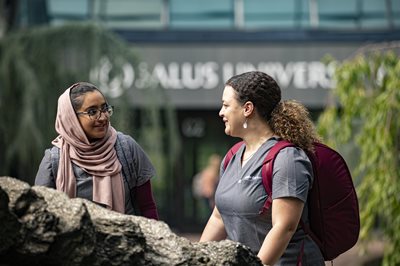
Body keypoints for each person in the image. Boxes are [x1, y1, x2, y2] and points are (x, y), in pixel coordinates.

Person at [199, 71, 324, 265]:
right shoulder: (232, 156)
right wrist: (196, 259)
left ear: (247, 108)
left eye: (226, 105)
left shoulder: (287, 158)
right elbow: (218, 217)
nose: (221, 113)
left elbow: (284, 227)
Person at [35, 82, 159, 220]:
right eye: (92, 112)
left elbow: (147, 207)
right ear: (71, 118)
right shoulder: (54, 161)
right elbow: (40, 216)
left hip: (126, 240)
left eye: (105, 108)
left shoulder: (126, 148)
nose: (103, 117)